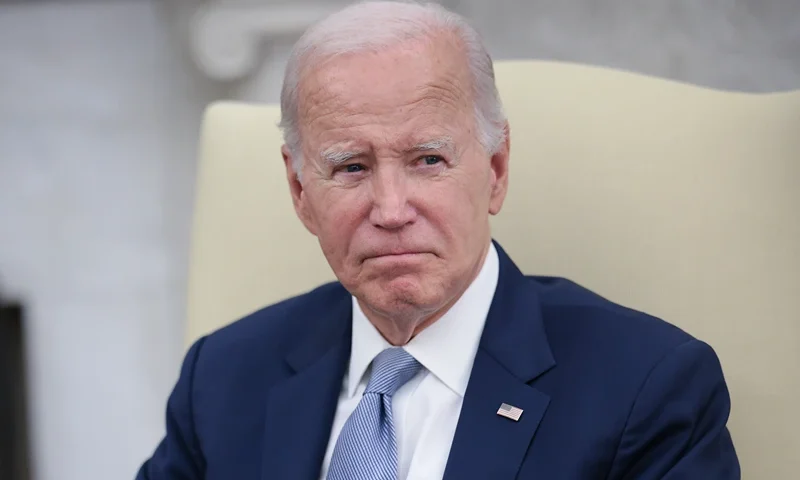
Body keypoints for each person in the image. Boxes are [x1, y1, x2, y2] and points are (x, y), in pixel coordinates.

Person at [136, 1, 740, 479]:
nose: (392, 210)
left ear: (496, 170)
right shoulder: (221, 379)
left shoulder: (647, 386)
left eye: (428, 159)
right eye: (351, 168)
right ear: (300, 192)